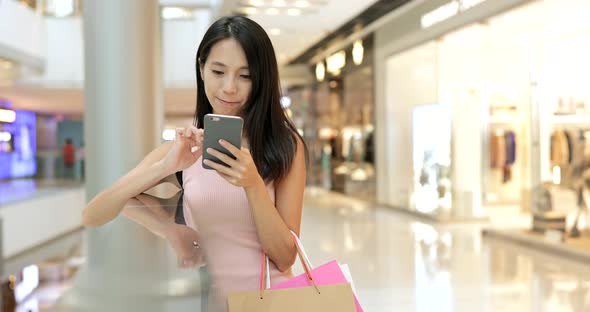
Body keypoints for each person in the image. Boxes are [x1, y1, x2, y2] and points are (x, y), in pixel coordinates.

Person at [81, 16, 308, 310]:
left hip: (272, 301)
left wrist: (252, 184)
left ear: (261, 79)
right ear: (201, 69)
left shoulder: (284, 146)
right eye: (218, 71)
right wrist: (167, 199)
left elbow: (286, 256)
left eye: (245, 75)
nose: (229, 87)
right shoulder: (186, 150)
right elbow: (94, 214)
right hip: (207, 301)